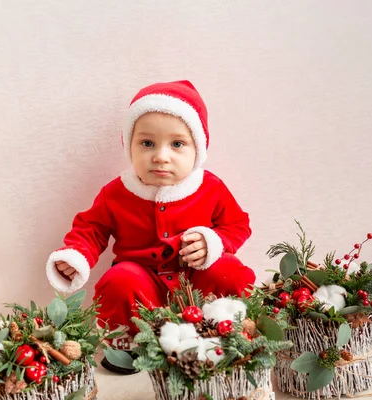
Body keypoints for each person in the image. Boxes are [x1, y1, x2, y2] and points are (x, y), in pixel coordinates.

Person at [46, 80, 256, 374]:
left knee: (229, 271)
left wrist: (214, 241)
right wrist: (75, 256)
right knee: (118, 281)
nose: (160, 156)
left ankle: (227, 334)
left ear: (198, 148)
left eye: (177, 144)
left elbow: (237, 224)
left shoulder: (210, 187)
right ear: (129, 146)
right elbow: (90, 229)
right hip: (144, 290)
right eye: (147, 143)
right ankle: (128, 347)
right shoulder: (116, 193)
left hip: (196, 284)